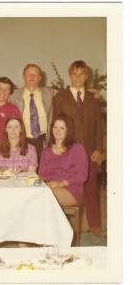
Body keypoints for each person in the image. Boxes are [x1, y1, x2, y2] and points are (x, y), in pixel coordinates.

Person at [52, 60, 104, 234]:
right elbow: (54, 123)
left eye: (82, 73)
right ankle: (63, 226)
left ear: (86, 76)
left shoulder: (93, 98)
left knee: (91, 187)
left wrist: (98, 148)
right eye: (75, 73)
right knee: (67, 186)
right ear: (70, 75)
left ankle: (95, 225)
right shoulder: (60, 97)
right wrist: (56, 147)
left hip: (89, 150)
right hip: (67, 150)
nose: (78, 77)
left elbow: (98, 125)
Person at [39, 114, 88, 207]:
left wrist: (61, 183)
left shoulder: (77, 148)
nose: (57, 131)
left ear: (68, 130)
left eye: (62, 128)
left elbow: (82, 175)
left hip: (71, 189)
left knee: (42, 198)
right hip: (50, 187)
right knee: (36, 196)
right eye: (55, 127)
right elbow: (42, 175)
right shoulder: (46, 151)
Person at [9, 63, 55, 161]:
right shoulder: (14, 95)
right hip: (23, 140)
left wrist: (93, 92)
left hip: (43, 140)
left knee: (42, 172)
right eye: (28, 74)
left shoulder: (50, 93)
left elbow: (68, 94)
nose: (32, 76)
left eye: (35, 74)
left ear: (40, 78)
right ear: (23, 77)